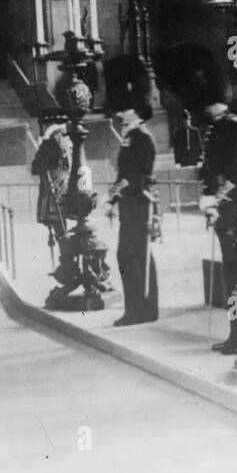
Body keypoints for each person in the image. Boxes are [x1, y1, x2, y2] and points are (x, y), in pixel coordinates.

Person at [198, 98, 237, 354]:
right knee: (230, 276)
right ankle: (234, 332)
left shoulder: (235, 126)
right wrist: (209, 203)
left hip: (235, 209)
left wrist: (215, 201)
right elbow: (209, 171)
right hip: (222, 211)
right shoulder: (216, 127)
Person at [107, 100, 160, 326]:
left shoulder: (140, 136)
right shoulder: (134, 135)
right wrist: (113, 198)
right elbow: (125, 173)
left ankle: (137, 310)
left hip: (137, 202)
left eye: (126, 109)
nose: (122, 113)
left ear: (136, 112)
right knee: (138, 255)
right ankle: (145, 308)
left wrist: (115, 196)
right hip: (131, 202)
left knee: (128, 255)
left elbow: (136, 174)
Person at [31, 110, 71, 251]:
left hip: (53, 186)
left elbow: (36, 168)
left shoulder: (49, 143)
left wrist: (40, 147)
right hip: (68, 183)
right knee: (62, 223)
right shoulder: (67, 141)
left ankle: (66, 256)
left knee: (59, 226)